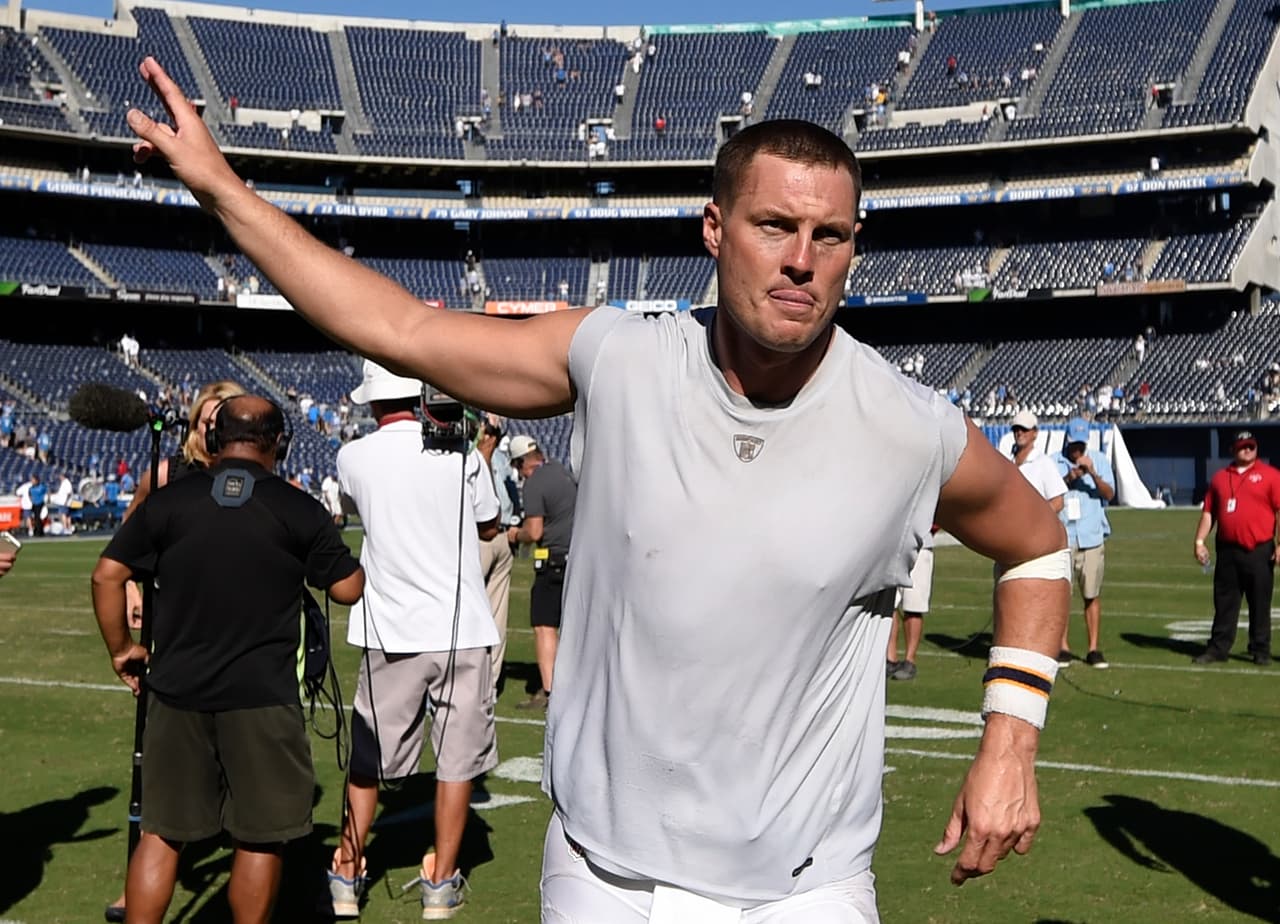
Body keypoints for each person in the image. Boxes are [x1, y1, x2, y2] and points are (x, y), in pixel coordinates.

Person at [129, 81, 1068, 917]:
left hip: (809, 886)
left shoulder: (909, 427)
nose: (801, 259)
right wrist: (222, 190)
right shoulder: (618, 359)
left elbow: (1036, 545)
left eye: (830, 236)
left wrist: (1010, 742)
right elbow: (399, 326)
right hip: (603, 875)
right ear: (713, 228)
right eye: (773, 226)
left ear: (853, 248)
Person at [90, 395, 363, 924]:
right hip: (262, 698)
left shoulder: (171, 502)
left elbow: (106, 575)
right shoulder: (295, 506)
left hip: (174, 691)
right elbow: (348, 589)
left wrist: (123, 648)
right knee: (260, 837)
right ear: (279, 443)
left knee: (162, 833)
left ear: (214, 441)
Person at [328, 361, 500, 920]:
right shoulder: (463, 455)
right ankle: (442, 881)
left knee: (368, 758)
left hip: (390, 630)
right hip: (462, 628)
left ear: (374, 402)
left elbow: (350, 510)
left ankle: (348, 872)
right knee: (457, 762)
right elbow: (490, 524)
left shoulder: (352, 457)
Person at [1192, 429, 1280, 666]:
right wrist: (1200, 541)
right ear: (1232, 450)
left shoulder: (1271, 475)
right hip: (1227, 549)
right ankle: (1219, 647)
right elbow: (1209, 512)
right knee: (1224, 601)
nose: (1247, 450)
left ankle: (1260, 648)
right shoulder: (1220, 478)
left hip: (1259, 548)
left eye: (1251, 446)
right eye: (1243, 446)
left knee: (1260, 601)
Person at [506, 435, 575, 710]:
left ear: (524, 462)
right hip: (576, 557)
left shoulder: (535, 483)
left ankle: (550, 690)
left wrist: (515, 534)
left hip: (553, 560)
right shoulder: (561, 471)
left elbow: (533, 531)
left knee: (545, 626)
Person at [1055, 418, 1115, 668]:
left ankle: (1093, 648)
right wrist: (1069, 477)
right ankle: (1062, 646)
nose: (1077, 451)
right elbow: (1047, 494)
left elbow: (1109, 494)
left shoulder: (1099, 460)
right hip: (1063, 537)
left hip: (1090, 536)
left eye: (1081, 445)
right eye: (1073, 445)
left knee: (1091, 593)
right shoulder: (1053, 463)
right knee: (1061, 596)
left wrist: (1091, 473)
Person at [475, 414, 516, 696]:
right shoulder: (501, 455)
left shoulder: (479, 455)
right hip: (504, 535)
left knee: (466, 609)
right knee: (496, 615)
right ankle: (489, 683)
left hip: (483, 534)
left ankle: (471, 682)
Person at [885, 525, 937, 681]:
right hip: (893, 543)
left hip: (921, 545)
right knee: (889, 603)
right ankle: (890, 657)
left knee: (914, 605)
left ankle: (909, 660)